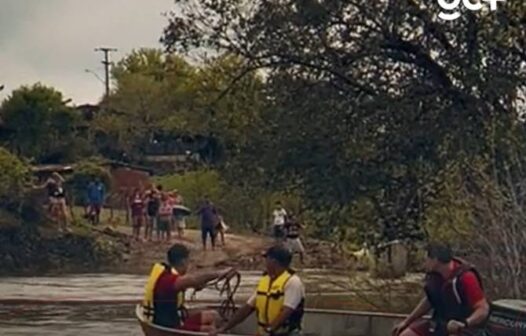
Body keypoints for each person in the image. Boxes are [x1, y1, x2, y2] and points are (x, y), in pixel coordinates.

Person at [392, 242, 490, 336]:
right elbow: (430, 299)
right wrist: (406, 322)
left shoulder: (466, 277)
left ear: (435, 260)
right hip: (441, 323)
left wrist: (465, 323)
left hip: (464, 327)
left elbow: (483, 309)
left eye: (426, 259)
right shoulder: (435, 277)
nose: (424, 263)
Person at [211, 245, 305, 336]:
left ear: (273, 261)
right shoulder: (265, 281)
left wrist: (269, 329)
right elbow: (247, 308)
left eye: (266, 259)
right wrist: (224, 328)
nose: (265, 262)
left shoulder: (293, 282)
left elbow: (286, 311)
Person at [142, 243, 237, 332]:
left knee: (214, 316)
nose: (189, 265)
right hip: (170, 326)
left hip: (173, 318)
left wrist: (197, 285)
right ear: (184, 262)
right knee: (210, 329)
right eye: (189, 261)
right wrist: (220, 274)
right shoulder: (168, 280)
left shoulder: (169, 275)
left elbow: (192, 282)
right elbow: (193, 279)